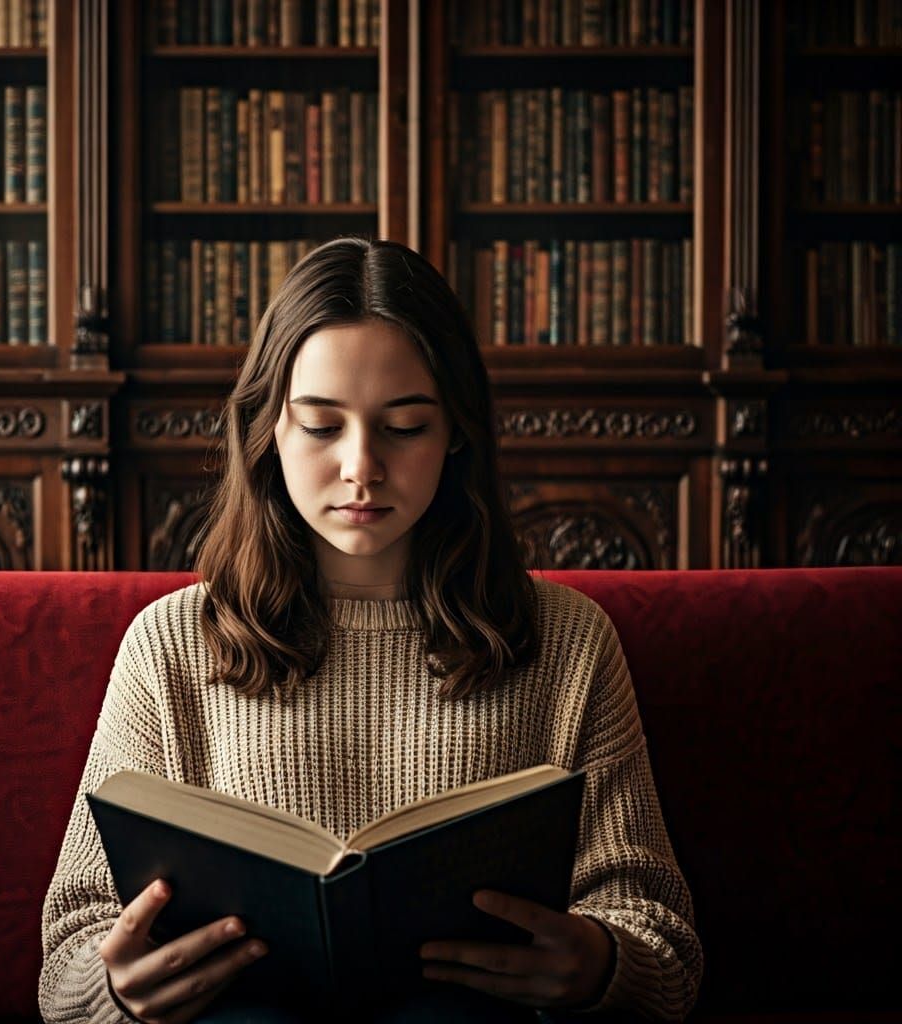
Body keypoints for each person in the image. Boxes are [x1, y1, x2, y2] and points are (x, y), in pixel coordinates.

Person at [39, 237, 702, 1024]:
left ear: (455, 431)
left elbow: (663, 940)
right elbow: (68, 949)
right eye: (321, 427)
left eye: (405, 426)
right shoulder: (171, 644)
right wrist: (114, 987)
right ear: (269, 429)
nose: (362, 467)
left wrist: (598, 966)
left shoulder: (565, 640)